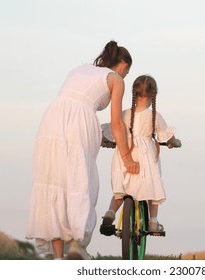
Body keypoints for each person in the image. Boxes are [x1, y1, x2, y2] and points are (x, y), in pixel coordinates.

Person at [26, 41, 140, 260]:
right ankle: (78, 245)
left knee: (55, 183)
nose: (125, 76)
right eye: (127, 71)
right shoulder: (115, 80)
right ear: (123, 66)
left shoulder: (79, 69)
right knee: (81, 182)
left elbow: (74, 102)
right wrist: (127, 158)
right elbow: (116, 124)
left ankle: (58, 257)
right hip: (81, 121)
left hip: (52, 119)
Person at [100, 75, 181, 236]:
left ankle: (110, 214)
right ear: (153, 95)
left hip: (125, 156)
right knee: (152, 188)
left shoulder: (124, 114)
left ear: (133, 93)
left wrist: (106, 141)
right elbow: (166, 136)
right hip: (145, 159)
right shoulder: (154, 116)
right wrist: (175, 142)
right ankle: (153, 222)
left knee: (120, 191)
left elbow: (111, 132)